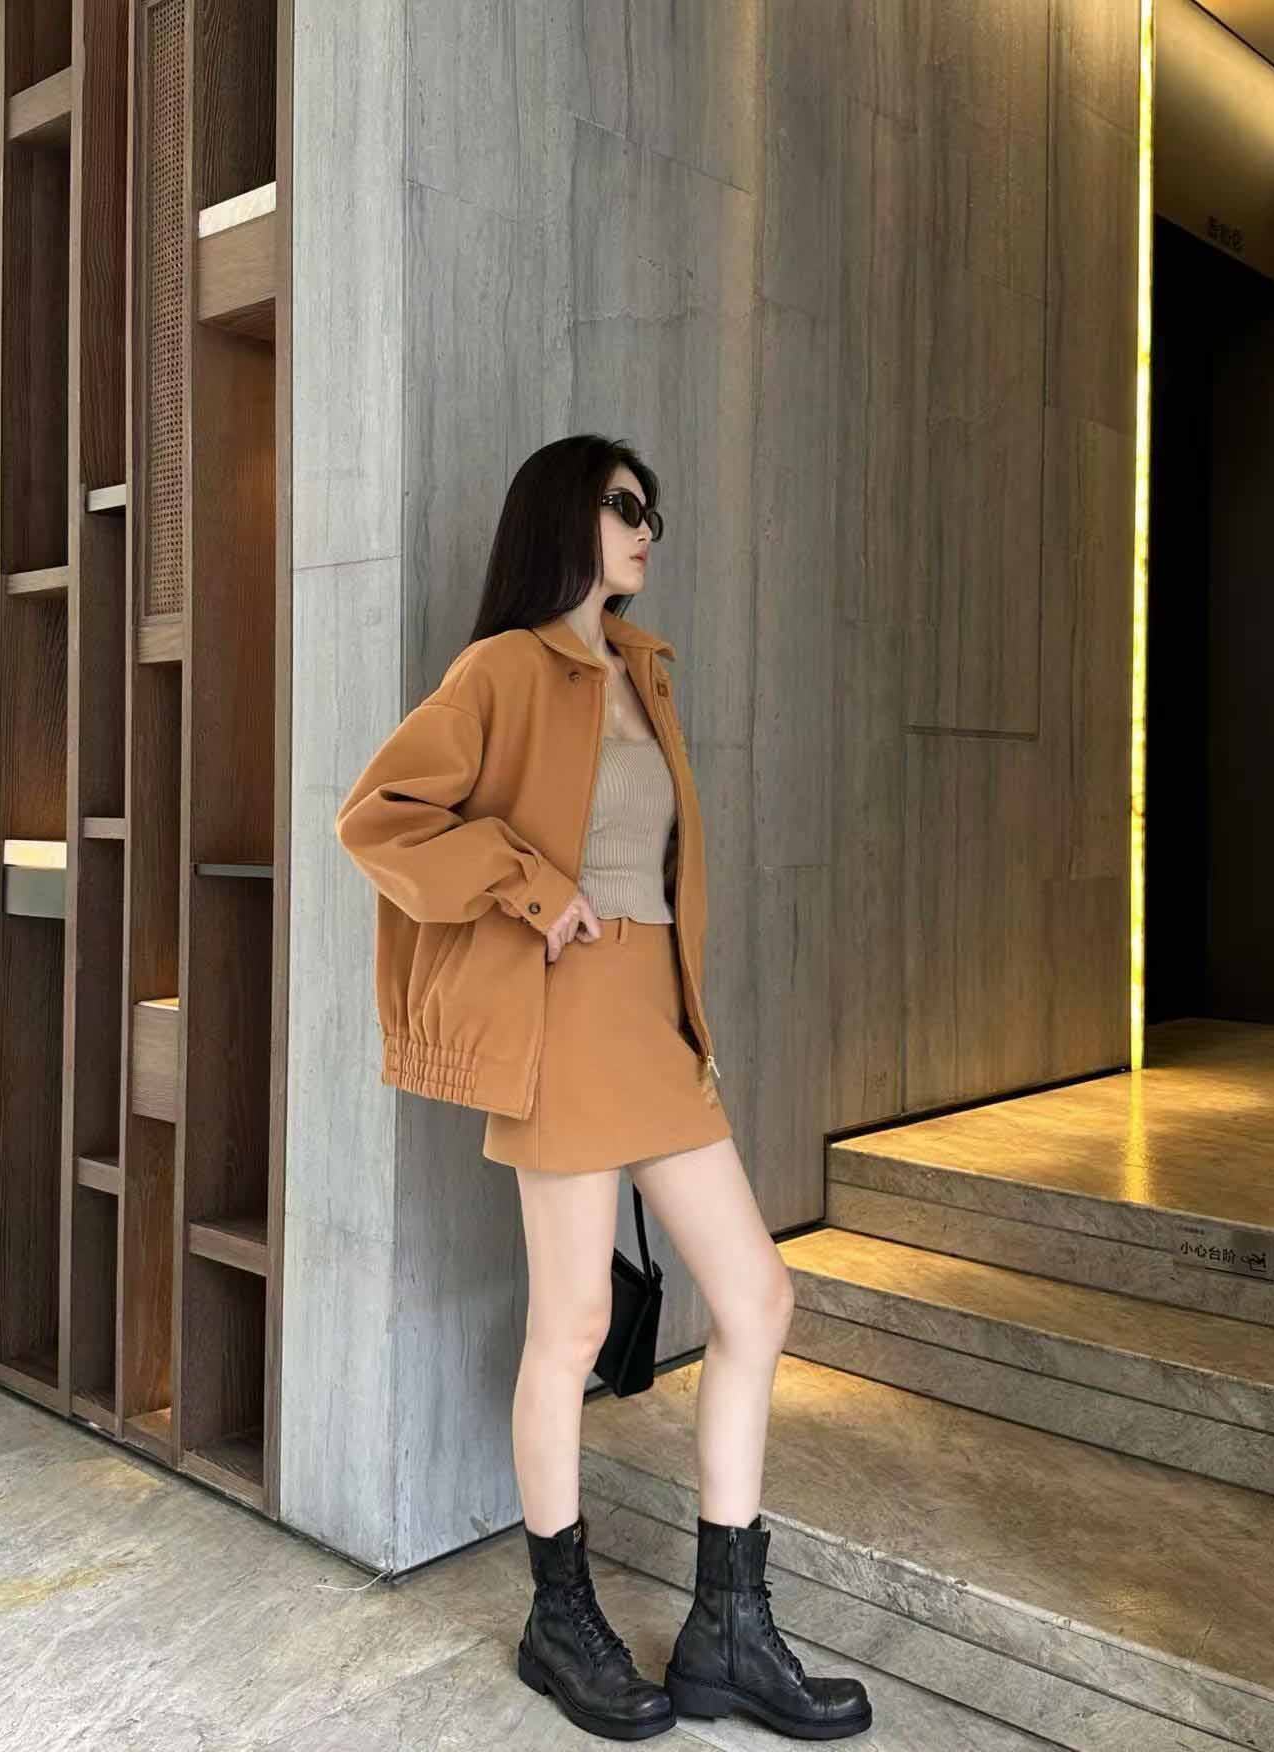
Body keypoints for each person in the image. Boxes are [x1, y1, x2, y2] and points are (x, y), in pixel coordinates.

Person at [335, 434, 872, 1742]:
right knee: (572, 1324)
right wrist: (530, 885)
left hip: (652, 1022)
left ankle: (727, 1634)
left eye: (652, 511)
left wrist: (686, 1015)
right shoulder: (501, 670)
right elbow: (379, 817)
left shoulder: (643, 670)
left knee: (756, 1296)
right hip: (565, 1016)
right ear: (564, 514)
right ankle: (559, 1622)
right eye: (624, 505)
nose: (644, 528)